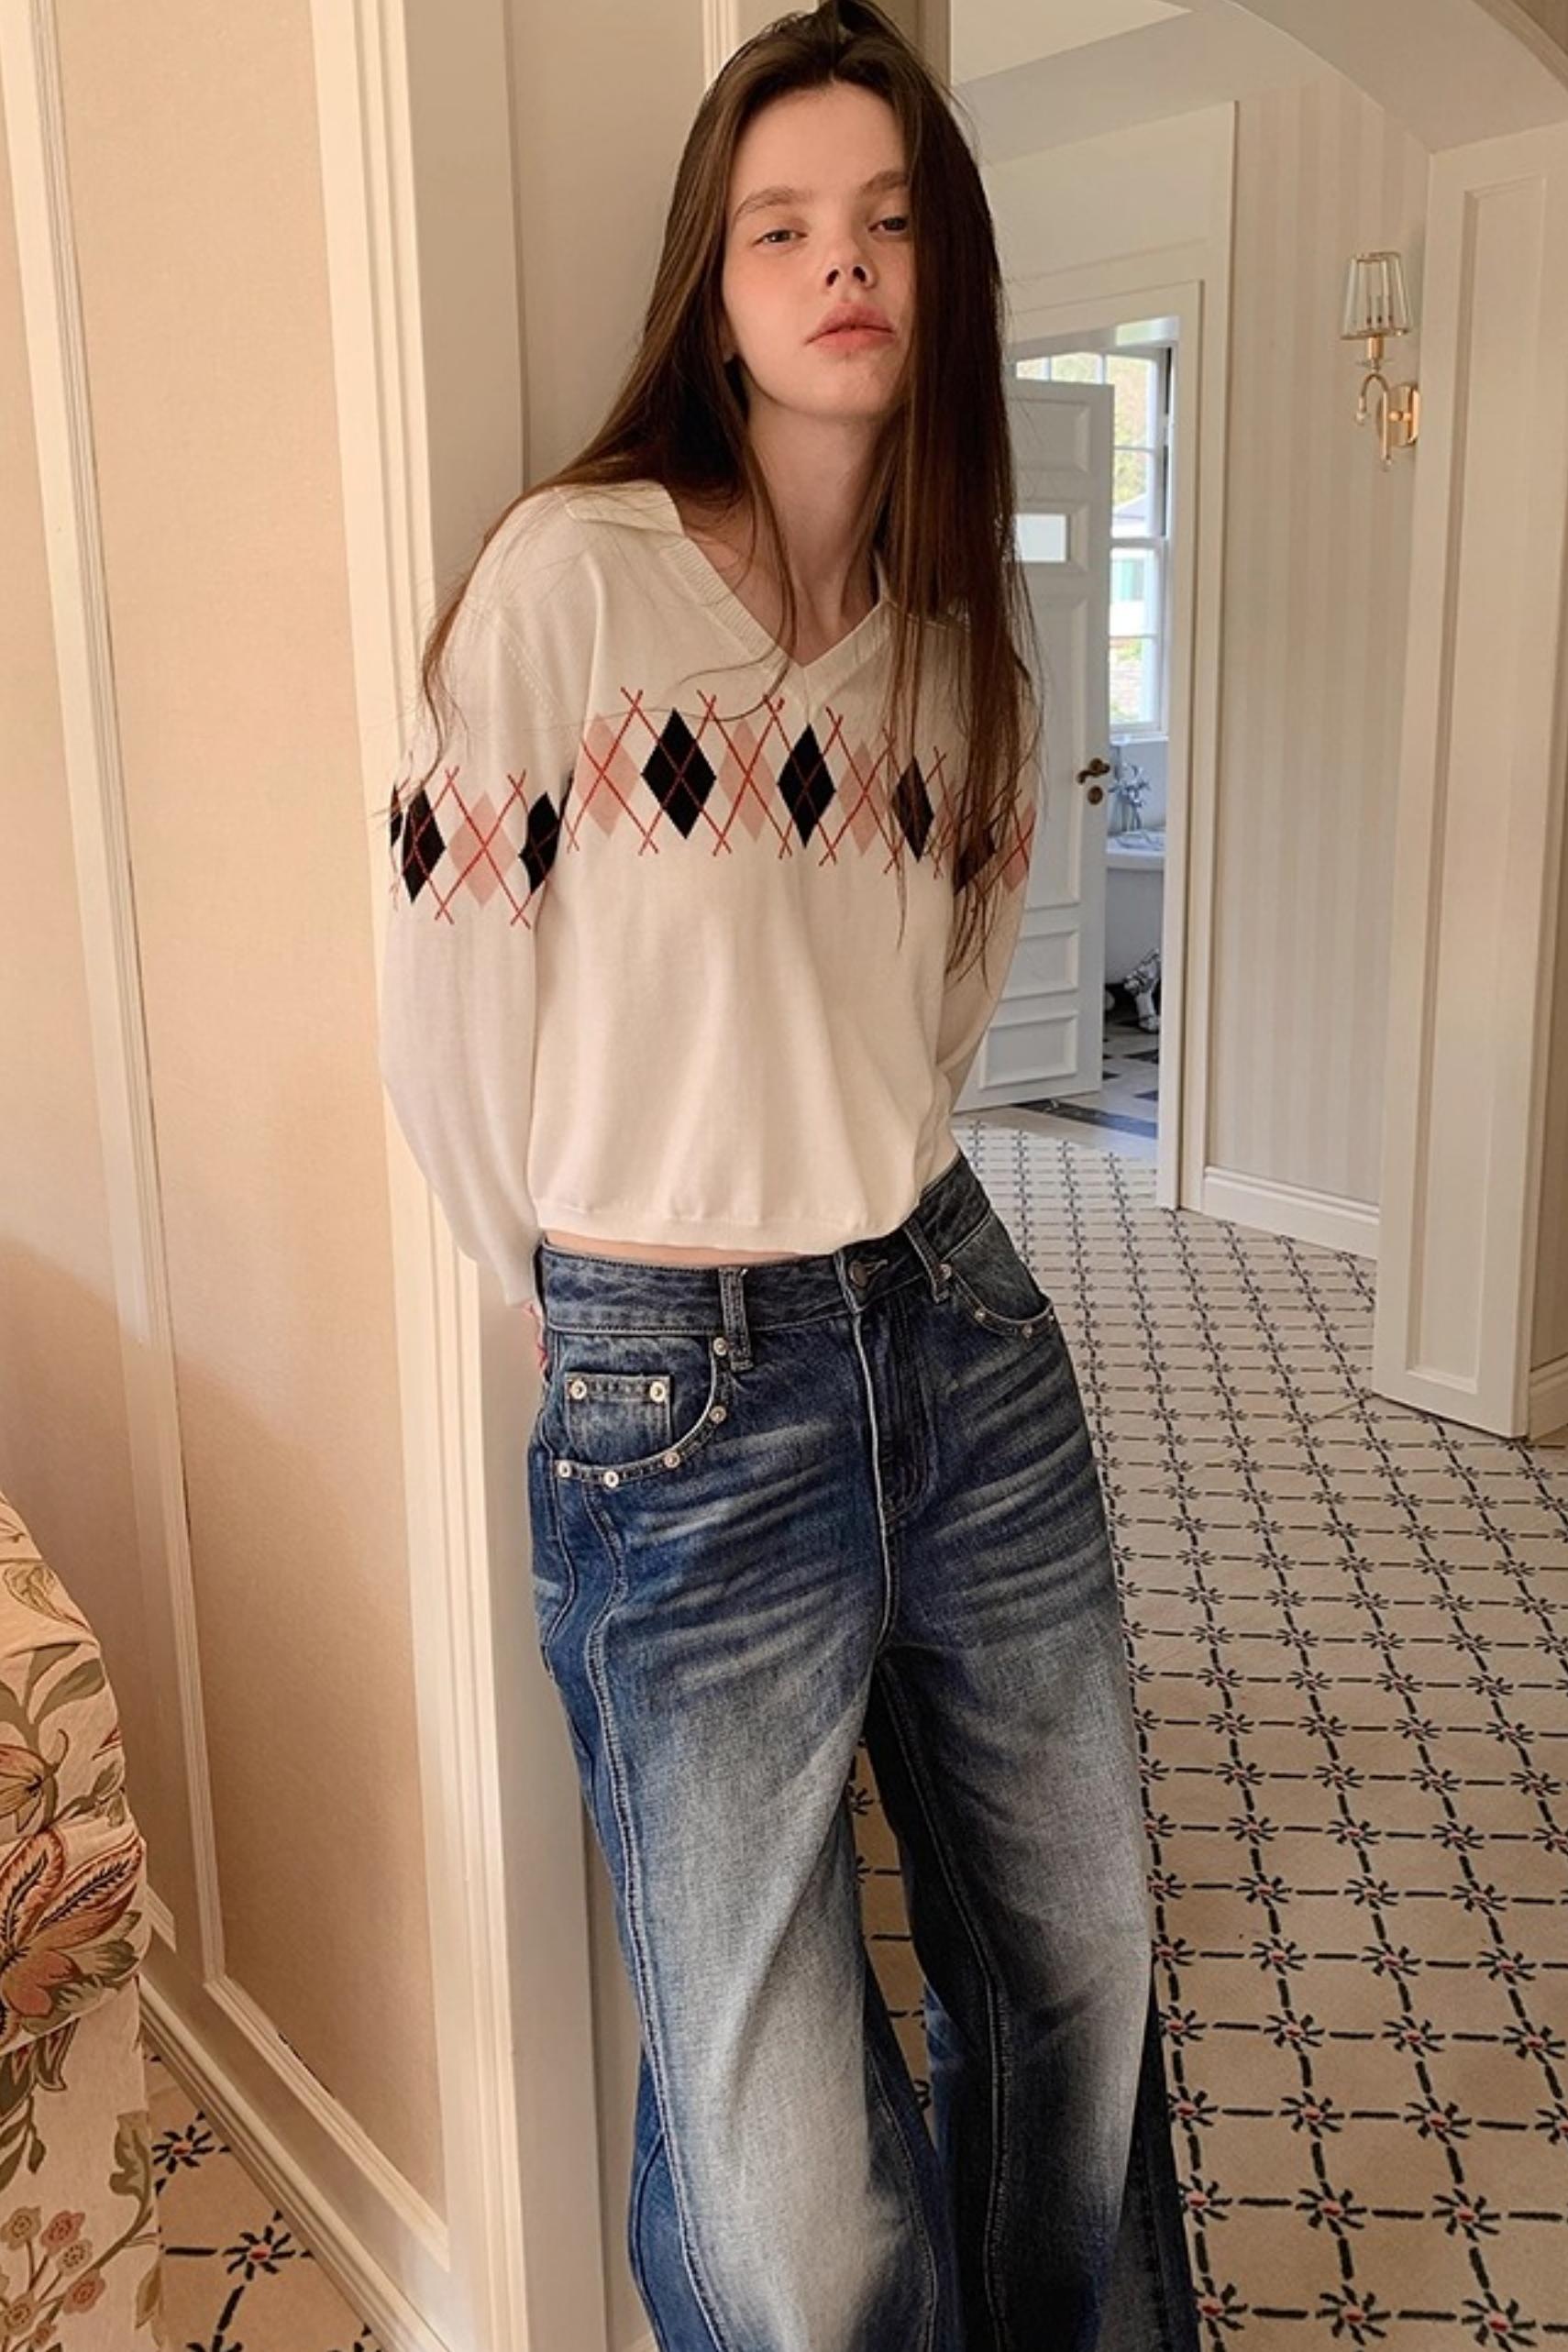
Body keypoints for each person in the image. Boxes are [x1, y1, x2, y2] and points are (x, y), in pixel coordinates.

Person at [377, 4, 1198, 2345]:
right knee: (785, 2191)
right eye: (782, 227)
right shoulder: (573, 579)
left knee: (1080, 1951)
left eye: (892, 222)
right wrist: (576, 1280)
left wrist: (848, 1161)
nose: (843, 264)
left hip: (950, 1314)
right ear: (713, 287)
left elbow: (945, 997)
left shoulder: (959, 649)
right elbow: (446, 1007)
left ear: (950, 275)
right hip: (679, 1380)